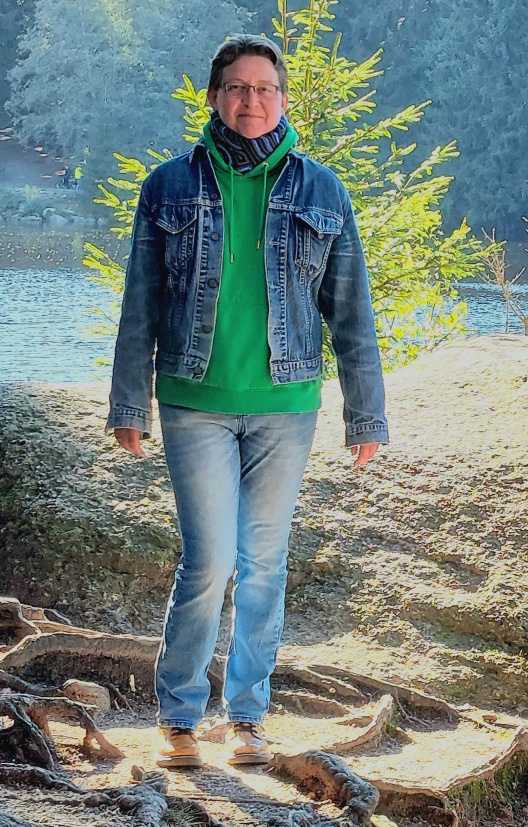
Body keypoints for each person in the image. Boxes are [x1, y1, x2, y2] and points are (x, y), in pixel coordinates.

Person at [107, 34, 387, 769]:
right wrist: (128, 402)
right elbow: (139, 301)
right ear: (214, 97)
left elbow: (351, 311)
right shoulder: (168, 185)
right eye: (236, 87)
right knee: (208, 559)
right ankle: (177, 715)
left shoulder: (323, 190)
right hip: (194, 399)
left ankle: (249, 718)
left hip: (285, 403)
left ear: (284, 100)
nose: (251, 100)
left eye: (264, 88)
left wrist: (367, 414)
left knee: (264, 562)